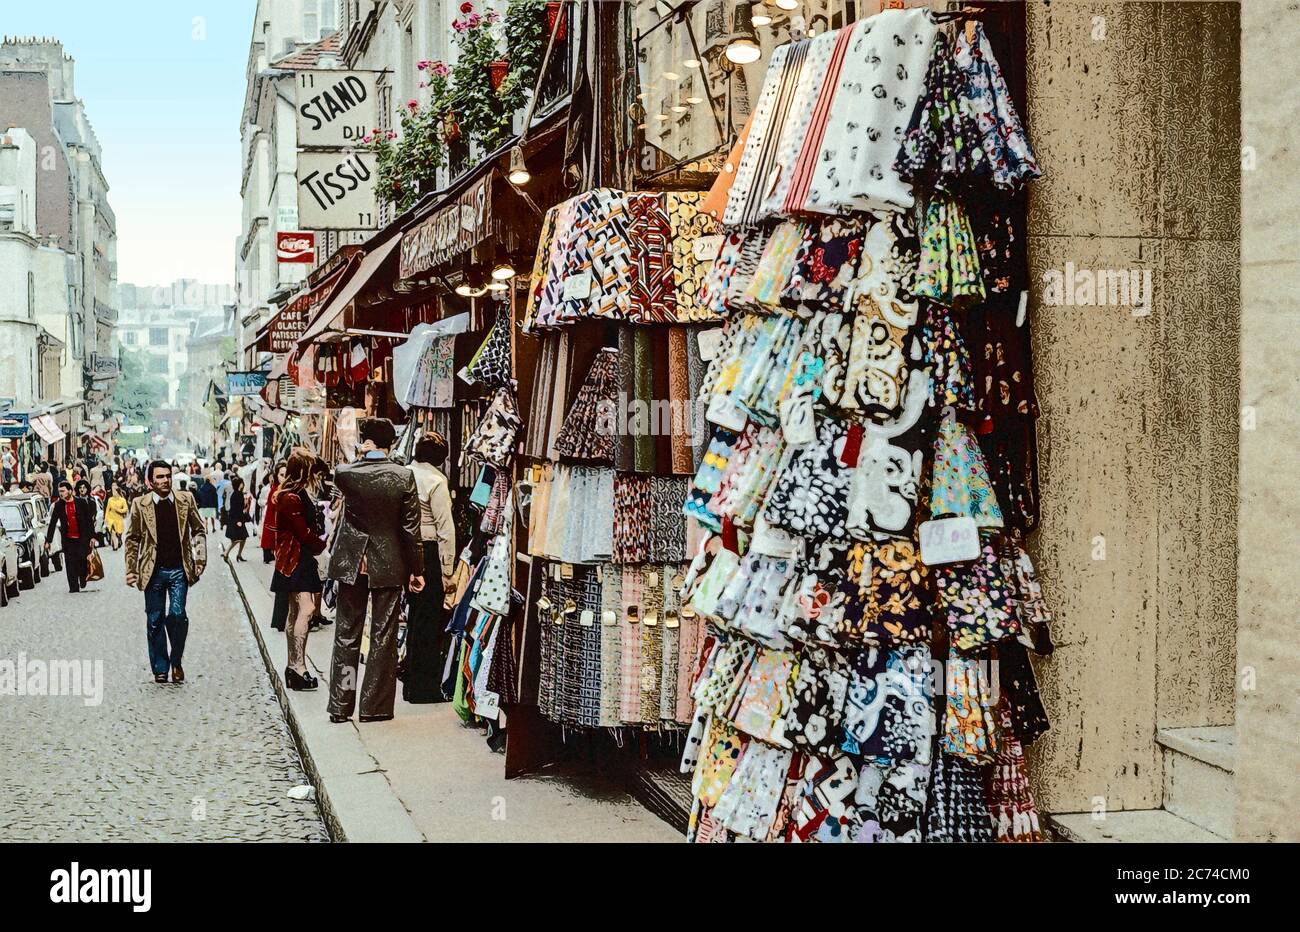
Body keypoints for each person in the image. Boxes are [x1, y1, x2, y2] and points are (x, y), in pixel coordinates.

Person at [325, 418, 424, 724]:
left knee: (346, 633)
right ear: (392, 443)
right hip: (389, 561)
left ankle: (341, 704)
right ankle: (374, 706)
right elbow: (411, 529)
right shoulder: (404, 476)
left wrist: (359, 456)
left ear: (365, 441)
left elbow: (343, 474)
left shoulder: (345, 473)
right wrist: (416, 569)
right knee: (383, 636)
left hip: (353, 560)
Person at [124, 460, 207, 684]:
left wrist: (200, 559)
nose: (165, 480)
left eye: (167, 476)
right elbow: (132, 539)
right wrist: (131, 570)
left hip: (179, 569)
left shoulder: (185, 500)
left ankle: (176, 660)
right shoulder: (140, 504)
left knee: (178, 615)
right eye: (159, 477)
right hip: (152, 571)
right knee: (155, 620)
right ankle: (161, 668)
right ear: (150, 481)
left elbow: (199, 529)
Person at [404, 432, 457, 704]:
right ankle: (424, 687)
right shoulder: (436, 481)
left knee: (414, 617)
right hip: (429, 550)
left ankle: (410, 681)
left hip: (406, 551)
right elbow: (445, 528)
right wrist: (448, 569)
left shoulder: (404, 473)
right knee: (429, 620)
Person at [271, 449, 327, 691]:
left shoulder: (291, 494)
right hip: (297, 559)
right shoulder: (293, 497)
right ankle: (299, 667)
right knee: (306, 609)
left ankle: (294, 667)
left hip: (293, 558)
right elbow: (303, 532)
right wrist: (322, 546)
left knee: (295, 613)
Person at [44, 480, 95, 592]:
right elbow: (52, 523)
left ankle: (82, 578)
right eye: (59, 491)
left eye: (63, 491)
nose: (61, 493)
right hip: (68, 540)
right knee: (70, 564)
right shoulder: (58, 505)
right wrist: (48, 540)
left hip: (82, 539)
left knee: (82, 562)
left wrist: (92, 536)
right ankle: (73, 587)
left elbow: (89, 521)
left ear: (70, 491)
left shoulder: (81, 502)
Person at [222, 475, 251, 562]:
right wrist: (238, 521)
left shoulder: (235, 493)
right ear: (239, 484)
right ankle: (226, 552)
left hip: (237, 518)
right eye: (242, 483)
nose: (243, 484)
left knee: (243, 537)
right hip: (236, 519)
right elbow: (236, 508)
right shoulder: (238, 494)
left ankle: (239, 554)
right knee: (237, 538)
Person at [104, 484, 129, 551]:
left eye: (115, 491)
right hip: (111, 518)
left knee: (119, 533)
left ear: (118, 492)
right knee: (113, 532)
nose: (113, 493)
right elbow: (107, 510)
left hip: (119, 519)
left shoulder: (122, 500)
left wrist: (118, 510)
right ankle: (115, 547)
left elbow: (125, 509)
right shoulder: (110, 500)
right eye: (113, 491)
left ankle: (119, 540)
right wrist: (106, 519)